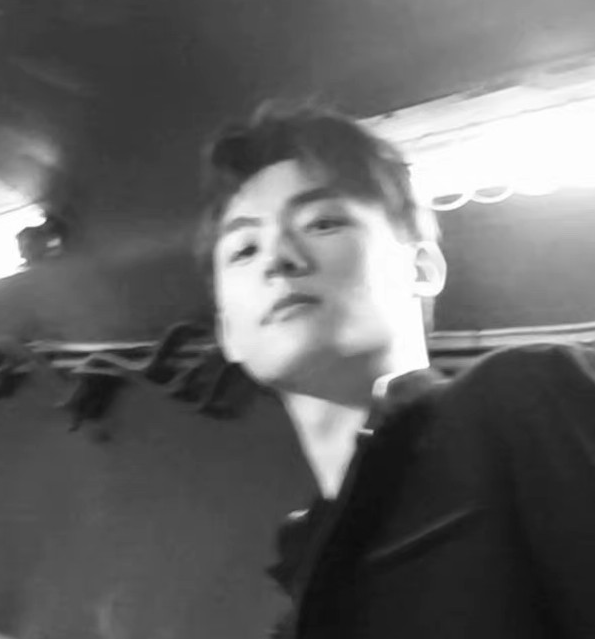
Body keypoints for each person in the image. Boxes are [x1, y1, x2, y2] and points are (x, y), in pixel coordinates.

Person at [198, 102, 595, 638]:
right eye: (244, 249)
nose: (278, 257)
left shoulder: (525, 398)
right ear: (228, 332)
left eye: (323, 222)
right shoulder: (305, 579)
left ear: (422, 267)